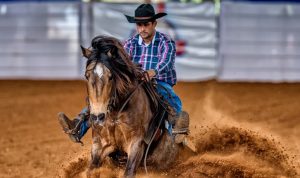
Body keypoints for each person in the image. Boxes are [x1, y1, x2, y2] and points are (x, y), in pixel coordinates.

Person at [58, 3, 184, 144]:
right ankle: (78, 125)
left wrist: (153, 71)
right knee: (107, 97)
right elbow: (119, 60)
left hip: (159, 81)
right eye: (139, 25)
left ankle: (177, 128)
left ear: (154, 24)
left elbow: (167, 61)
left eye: (146, 24)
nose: (142, 28)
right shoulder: (130, 43)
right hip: (136, 82)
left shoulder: (165, 42)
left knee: (171, 99)